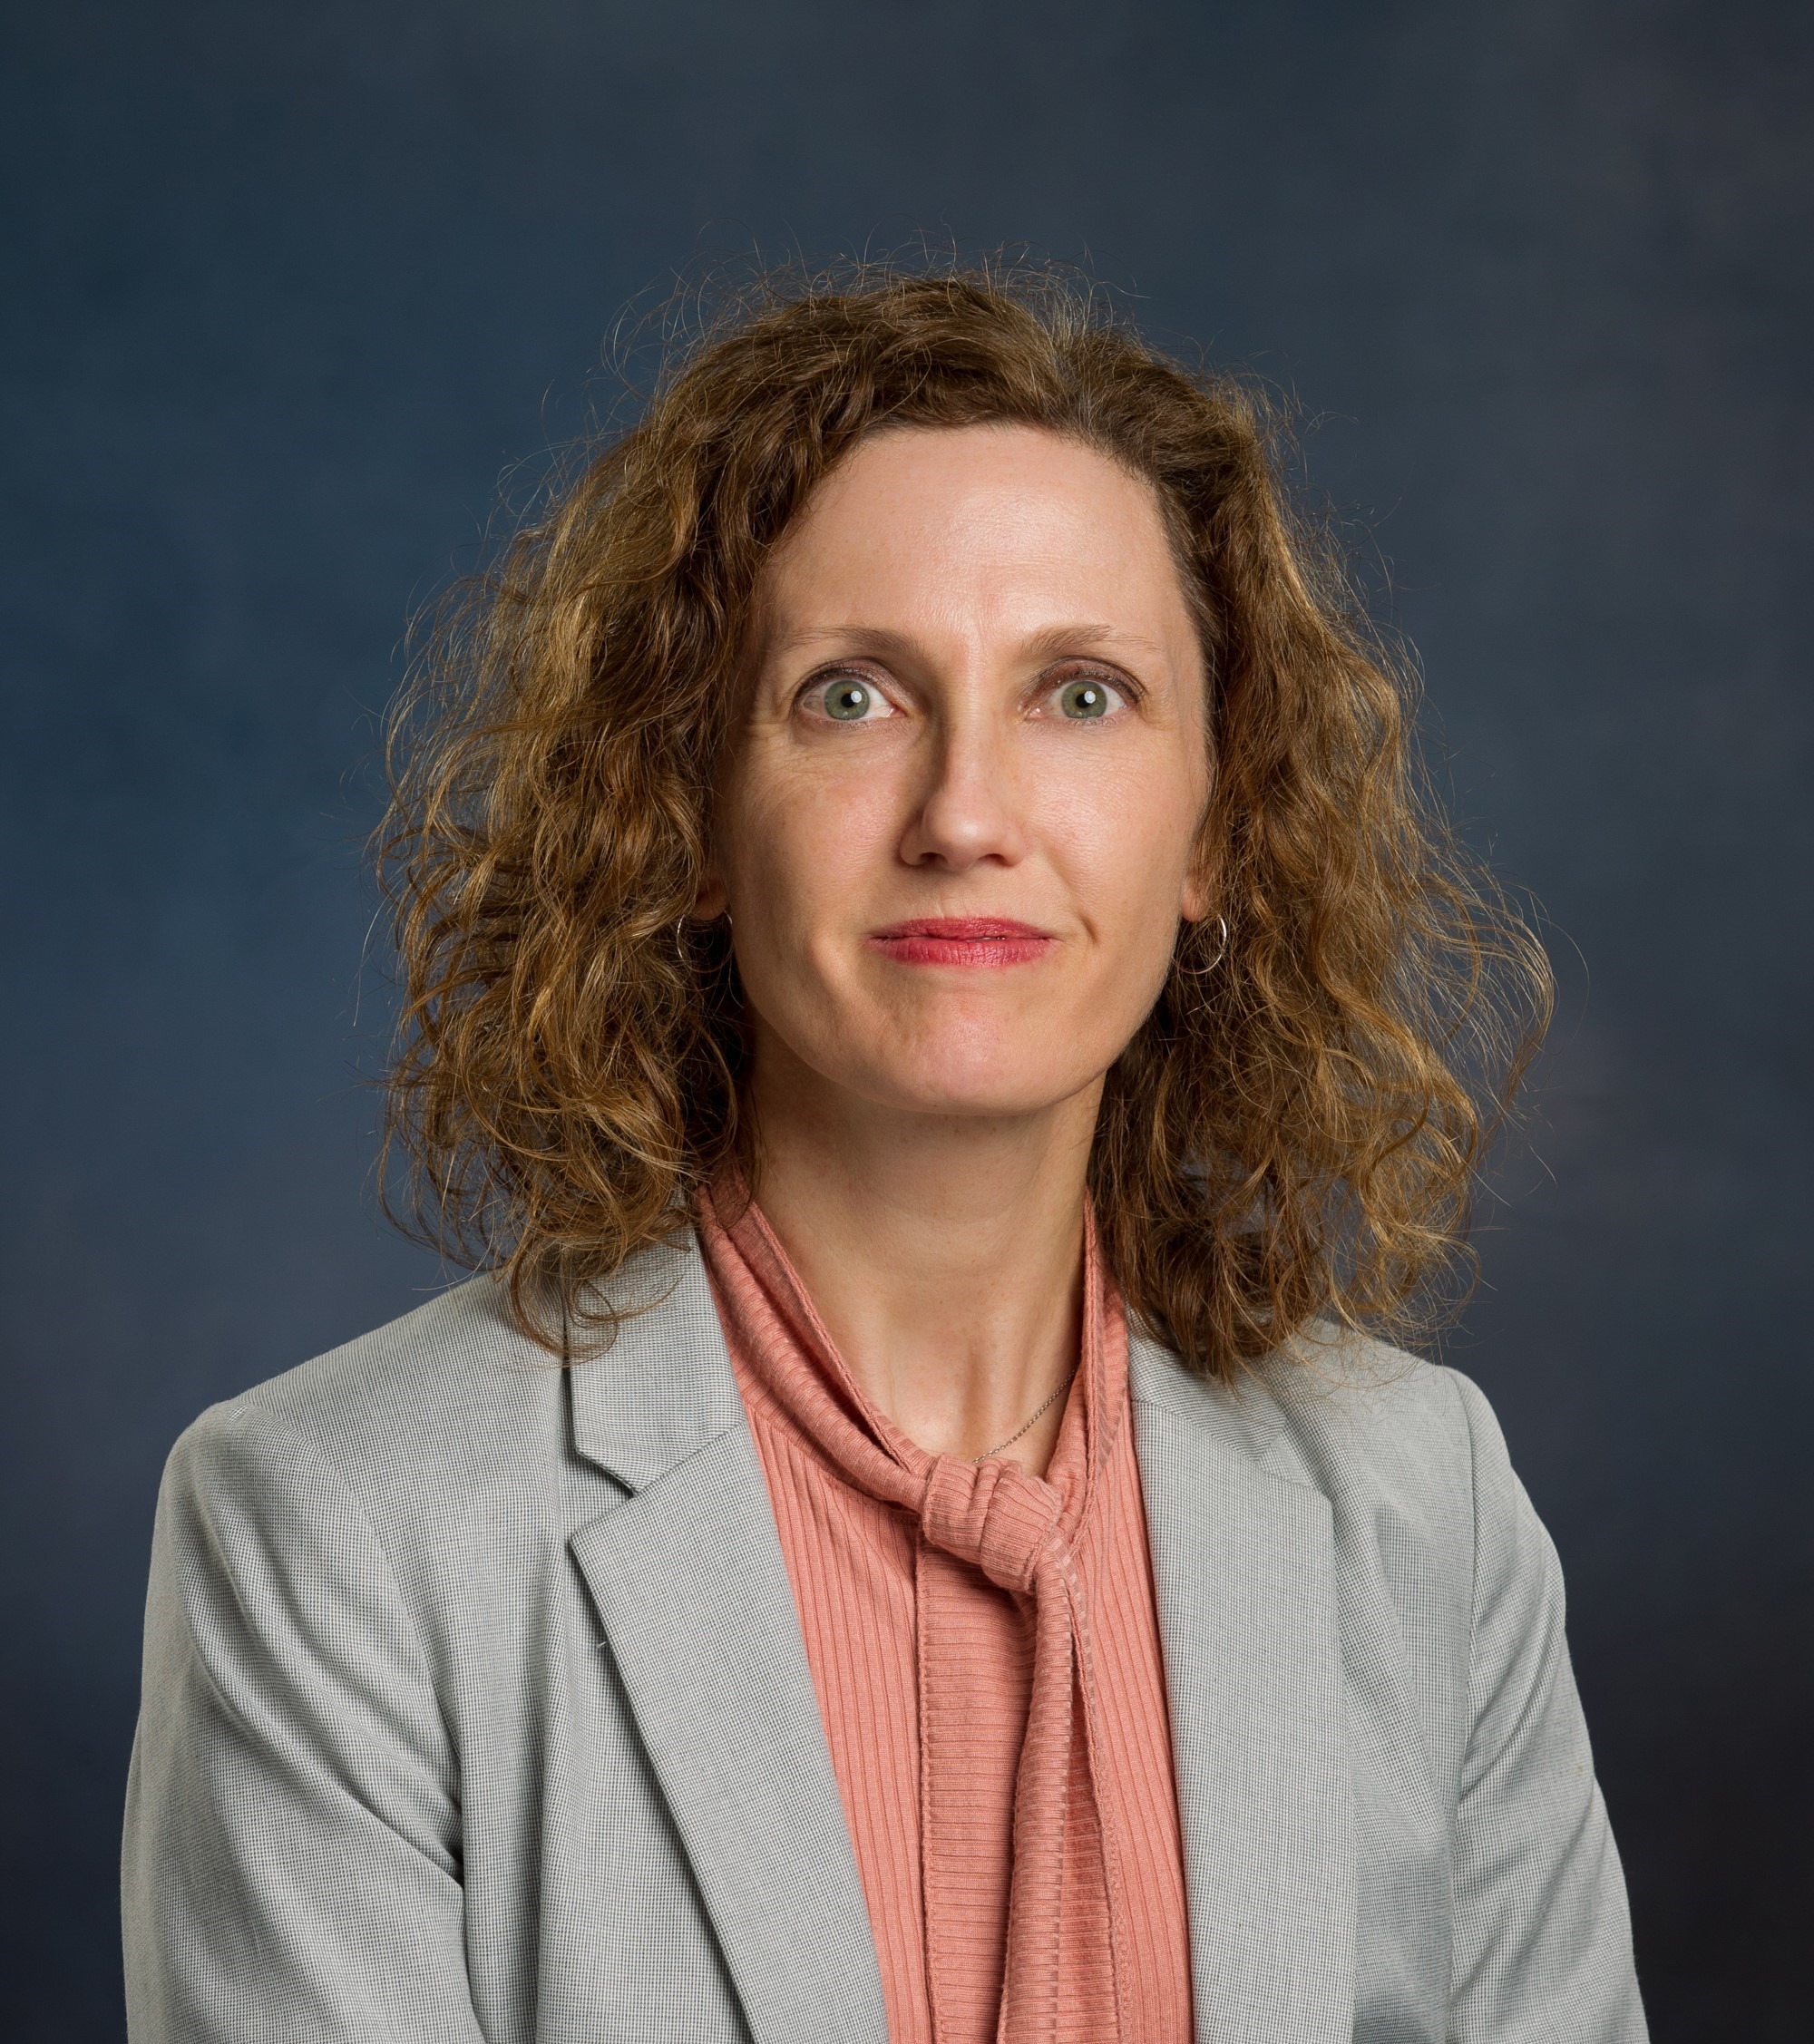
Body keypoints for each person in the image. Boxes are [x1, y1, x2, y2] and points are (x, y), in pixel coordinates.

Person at [122, 265, 1647, 2044]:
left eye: (1080, 695)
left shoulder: (1425, 1504)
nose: (967, 814)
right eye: (851, 696)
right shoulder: (336, 1530)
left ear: (1215, 830)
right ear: (684, 812)